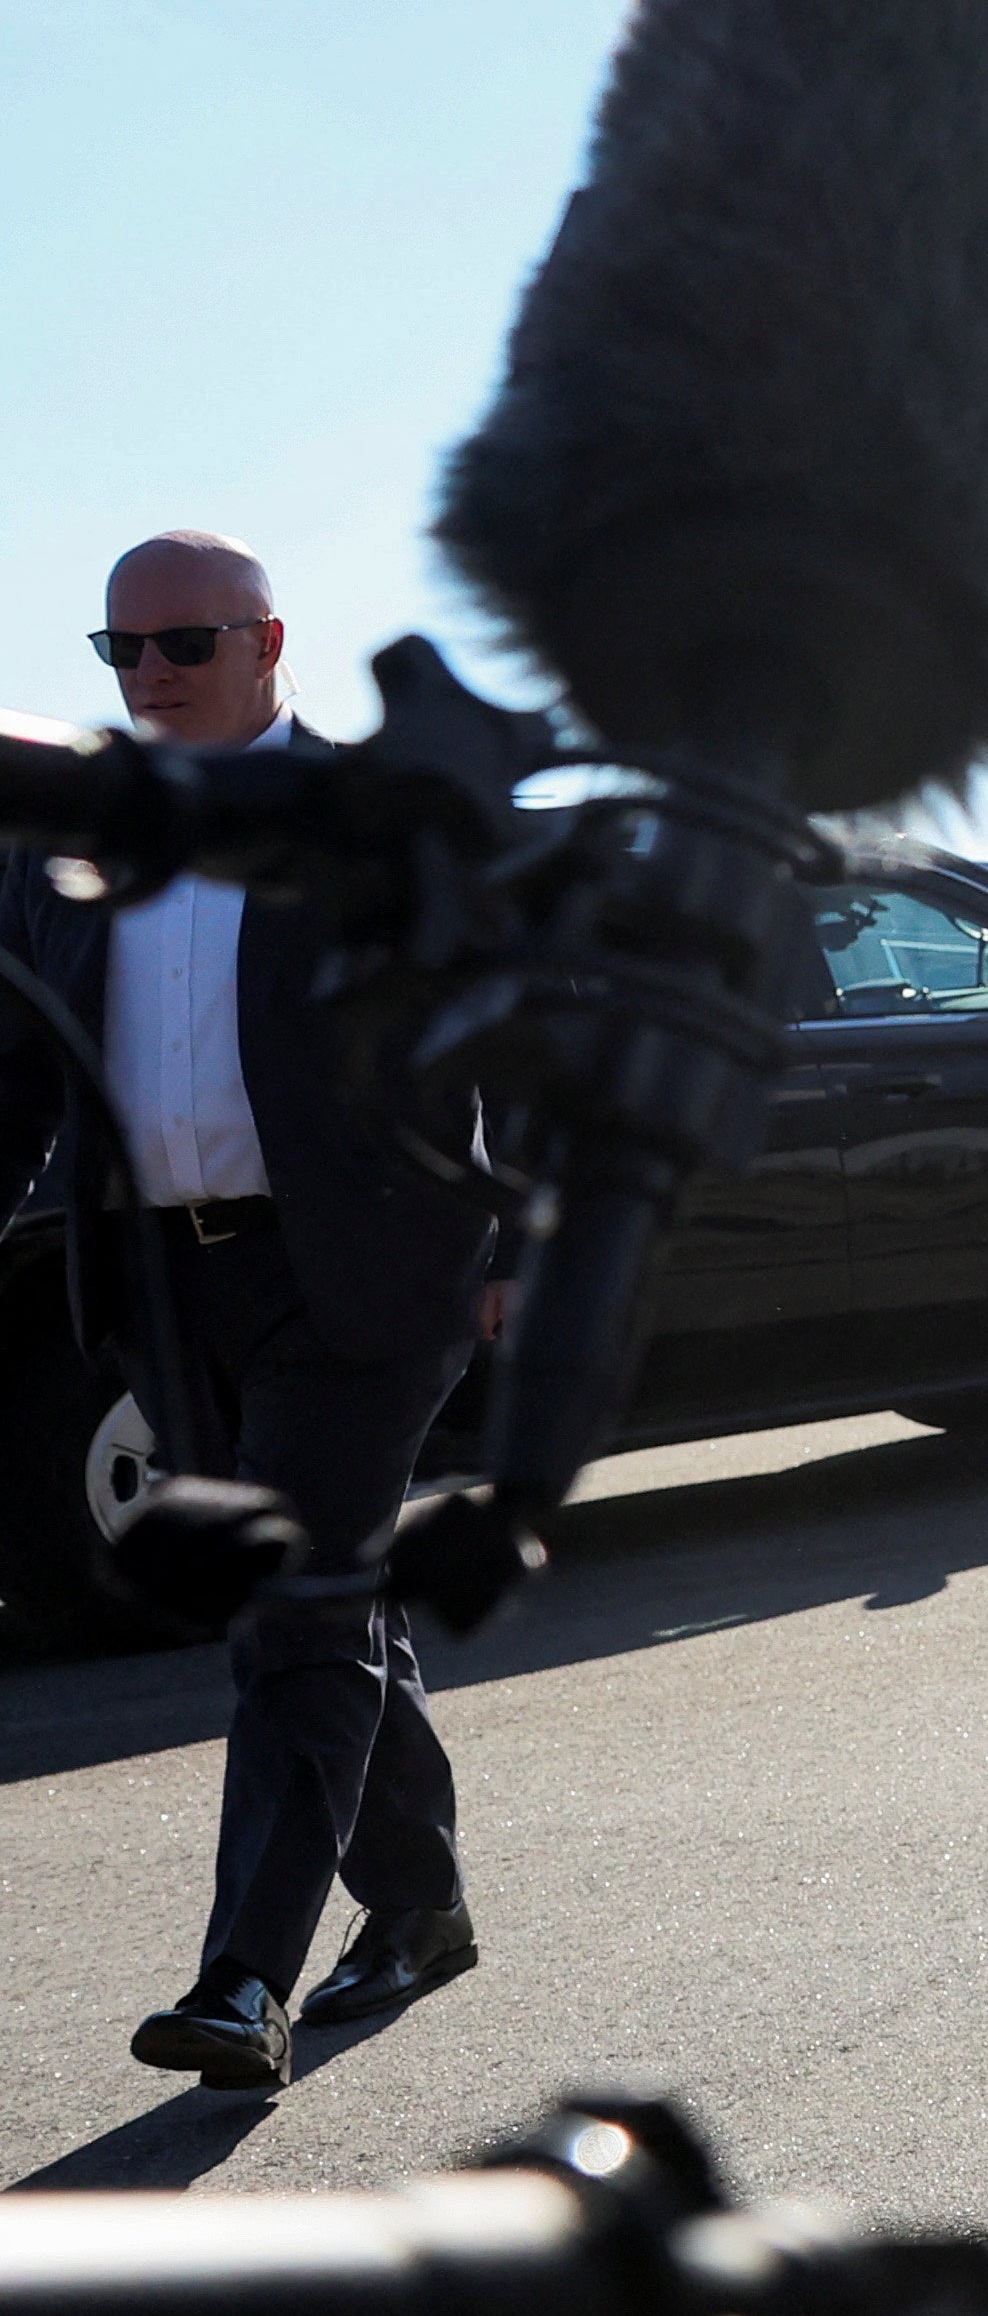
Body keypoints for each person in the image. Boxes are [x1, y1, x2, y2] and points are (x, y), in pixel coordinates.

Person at [0, 538, 504, 2095]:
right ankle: (419, 1907)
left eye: (183, 643)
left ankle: (242, 1982)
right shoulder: (67, 844)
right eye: (119, 649)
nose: (147, 675)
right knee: (309, 1598)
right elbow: (20, 1072)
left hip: (362, 1270)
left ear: (271, 640)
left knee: (292, 1610)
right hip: (168, 1278)